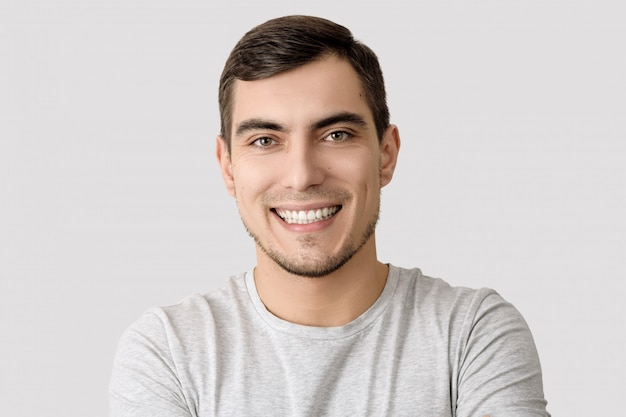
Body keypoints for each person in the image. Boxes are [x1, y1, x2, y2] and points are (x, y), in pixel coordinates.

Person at [109, 15, 549, 416]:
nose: (301, 176)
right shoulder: (168, 350)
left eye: (336, 134)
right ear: (227, 166)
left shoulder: (471, 334)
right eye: (265, 140)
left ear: (386, 154)